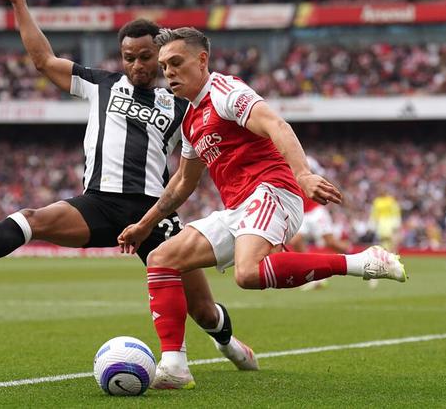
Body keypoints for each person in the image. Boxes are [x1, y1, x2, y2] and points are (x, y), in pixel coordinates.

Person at [0, 0, 258, 381]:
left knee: (202, 309)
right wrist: (19, 2)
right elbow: (43, 60)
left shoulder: (183, 105)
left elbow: (201, 157)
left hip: (153, 212)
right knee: (35, 219)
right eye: (129, 58)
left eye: (145, 57)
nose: (137, 65)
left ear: (161, 56)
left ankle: (228, 344)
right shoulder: (101, 84)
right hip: (98, 203)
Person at [118, 27, 407, 388]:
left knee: (248, 273)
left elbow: (275, 124)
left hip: (273, 190)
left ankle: (362, 262)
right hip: (238, 208)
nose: (169, 72)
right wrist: (145, 224)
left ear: (202, 60)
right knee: (162, 259)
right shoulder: (190, 119)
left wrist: (303, 174)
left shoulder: (226, 92)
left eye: (176, 62)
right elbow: (182, 183)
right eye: (164, 66)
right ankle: (175, 367)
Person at [288, 155, 351, 290]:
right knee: (295, 241)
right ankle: (311, 272)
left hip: (315, 210)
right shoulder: (281, 159)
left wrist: (334, 192)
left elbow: (323, 177)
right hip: (301, 212)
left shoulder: (307, 160)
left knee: (331, 242)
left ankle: (359, 257)